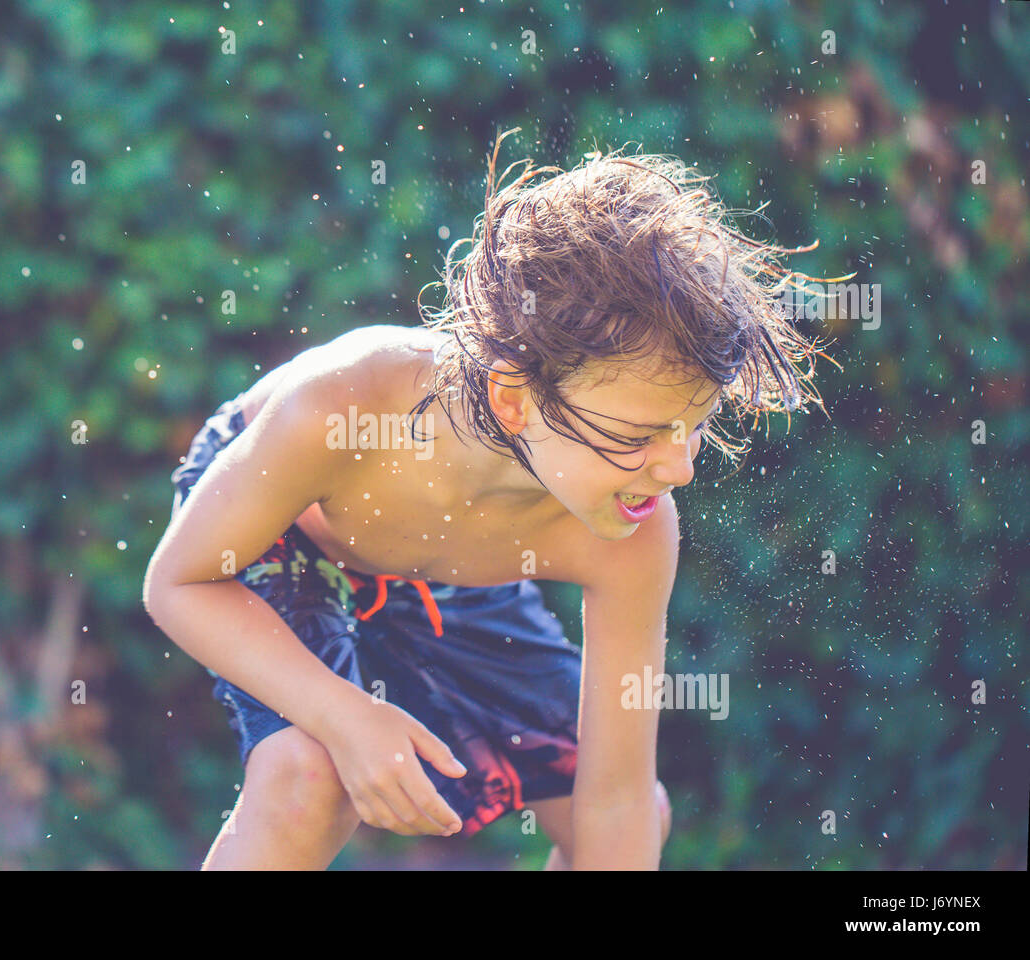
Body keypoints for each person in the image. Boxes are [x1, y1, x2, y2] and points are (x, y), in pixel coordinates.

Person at [143, 128, 833, 870]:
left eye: (693, 429)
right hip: (289, 536)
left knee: (631, 810)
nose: (678, 470)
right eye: (640, 435)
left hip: (442, 566)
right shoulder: (343, 408)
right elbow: (178, 584)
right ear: (513, 399)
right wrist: (346, 716)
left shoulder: (633, 530)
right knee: (309, 776)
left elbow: (617, 800)